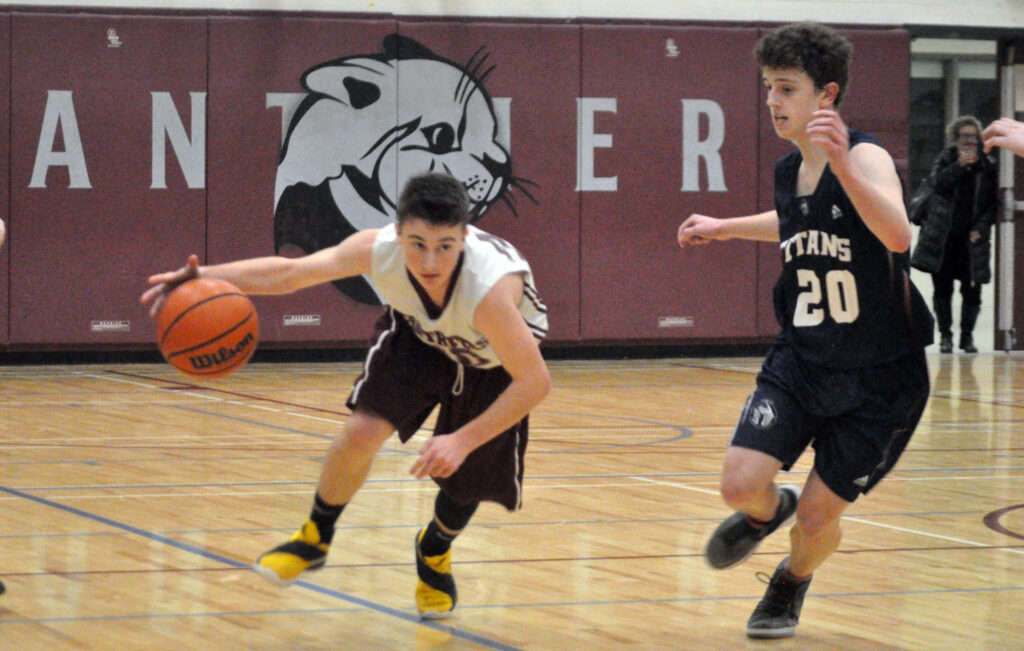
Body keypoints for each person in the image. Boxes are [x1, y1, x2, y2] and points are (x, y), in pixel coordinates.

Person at [142, 172, 550, 619]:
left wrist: (461, 440)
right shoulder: (377, 249)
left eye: (444, 246)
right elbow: (292, 273)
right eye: (417, 244)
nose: (429, 261)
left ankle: (433, 549)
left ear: (464, 237)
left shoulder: (488, 292)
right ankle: (314, 537)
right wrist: (202, 278)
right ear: (397, 232)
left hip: (492, 362)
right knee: (361, 432)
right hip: (420, 337)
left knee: (464, 483)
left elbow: (534, 383)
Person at [677, 23, 933, 639]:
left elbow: (898, 236)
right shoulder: (789, 169)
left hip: (881, 377)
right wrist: (728, 226)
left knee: (817, 524)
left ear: (827, 95)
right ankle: (771, 511)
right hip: (804, 359)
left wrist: (844, 162)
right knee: (739, 486)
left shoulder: (864, 156)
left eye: (787, 88)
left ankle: (790, 581)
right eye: (768, 87)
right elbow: (795, 222)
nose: (772, 100)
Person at [910, 116, 997, 354]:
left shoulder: (987, 164)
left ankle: (967, 337)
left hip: (973, 240)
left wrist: (981, 227)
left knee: (973, 290)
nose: (969, 141)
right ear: (955, 139)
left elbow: (992, 203)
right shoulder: (946, 159)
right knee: (942, 290)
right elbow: (938, 184)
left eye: (973, 137)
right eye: (964, 137)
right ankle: (945, 336)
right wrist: (959, 165)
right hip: (944, 238)